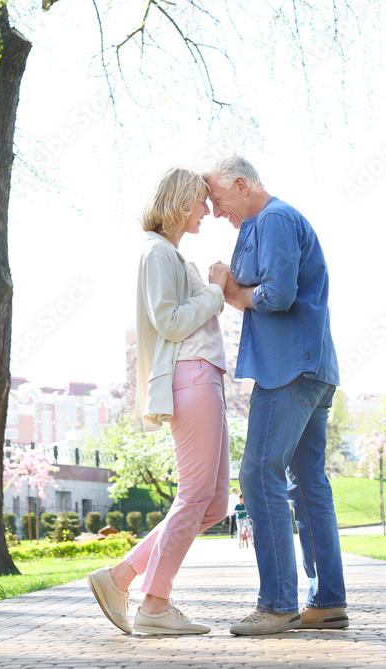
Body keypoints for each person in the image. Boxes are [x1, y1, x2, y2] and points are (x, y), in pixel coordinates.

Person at [204, 156, 348, 636]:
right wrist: (231, 276)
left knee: (257, 471)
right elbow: (250, 279)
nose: (216, 211)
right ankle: (327, 601)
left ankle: (277, 604)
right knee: (306, 482)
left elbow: (278, 294)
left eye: (219, 200)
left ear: (242, 184)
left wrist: (236, 292)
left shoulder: (276, 219)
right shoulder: (258, 224)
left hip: (291, 369)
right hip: (309, 368)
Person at [87, 167, 231, 636]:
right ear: (181, 200)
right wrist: (213, 290)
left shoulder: (168, 253)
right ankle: (154, 604)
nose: (208, 211)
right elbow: (169, 322)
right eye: (201, 202)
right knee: (195, 497)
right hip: (191, 378)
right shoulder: (156, 252)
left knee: (214, 506)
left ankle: (122, 577)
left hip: (205, 378)